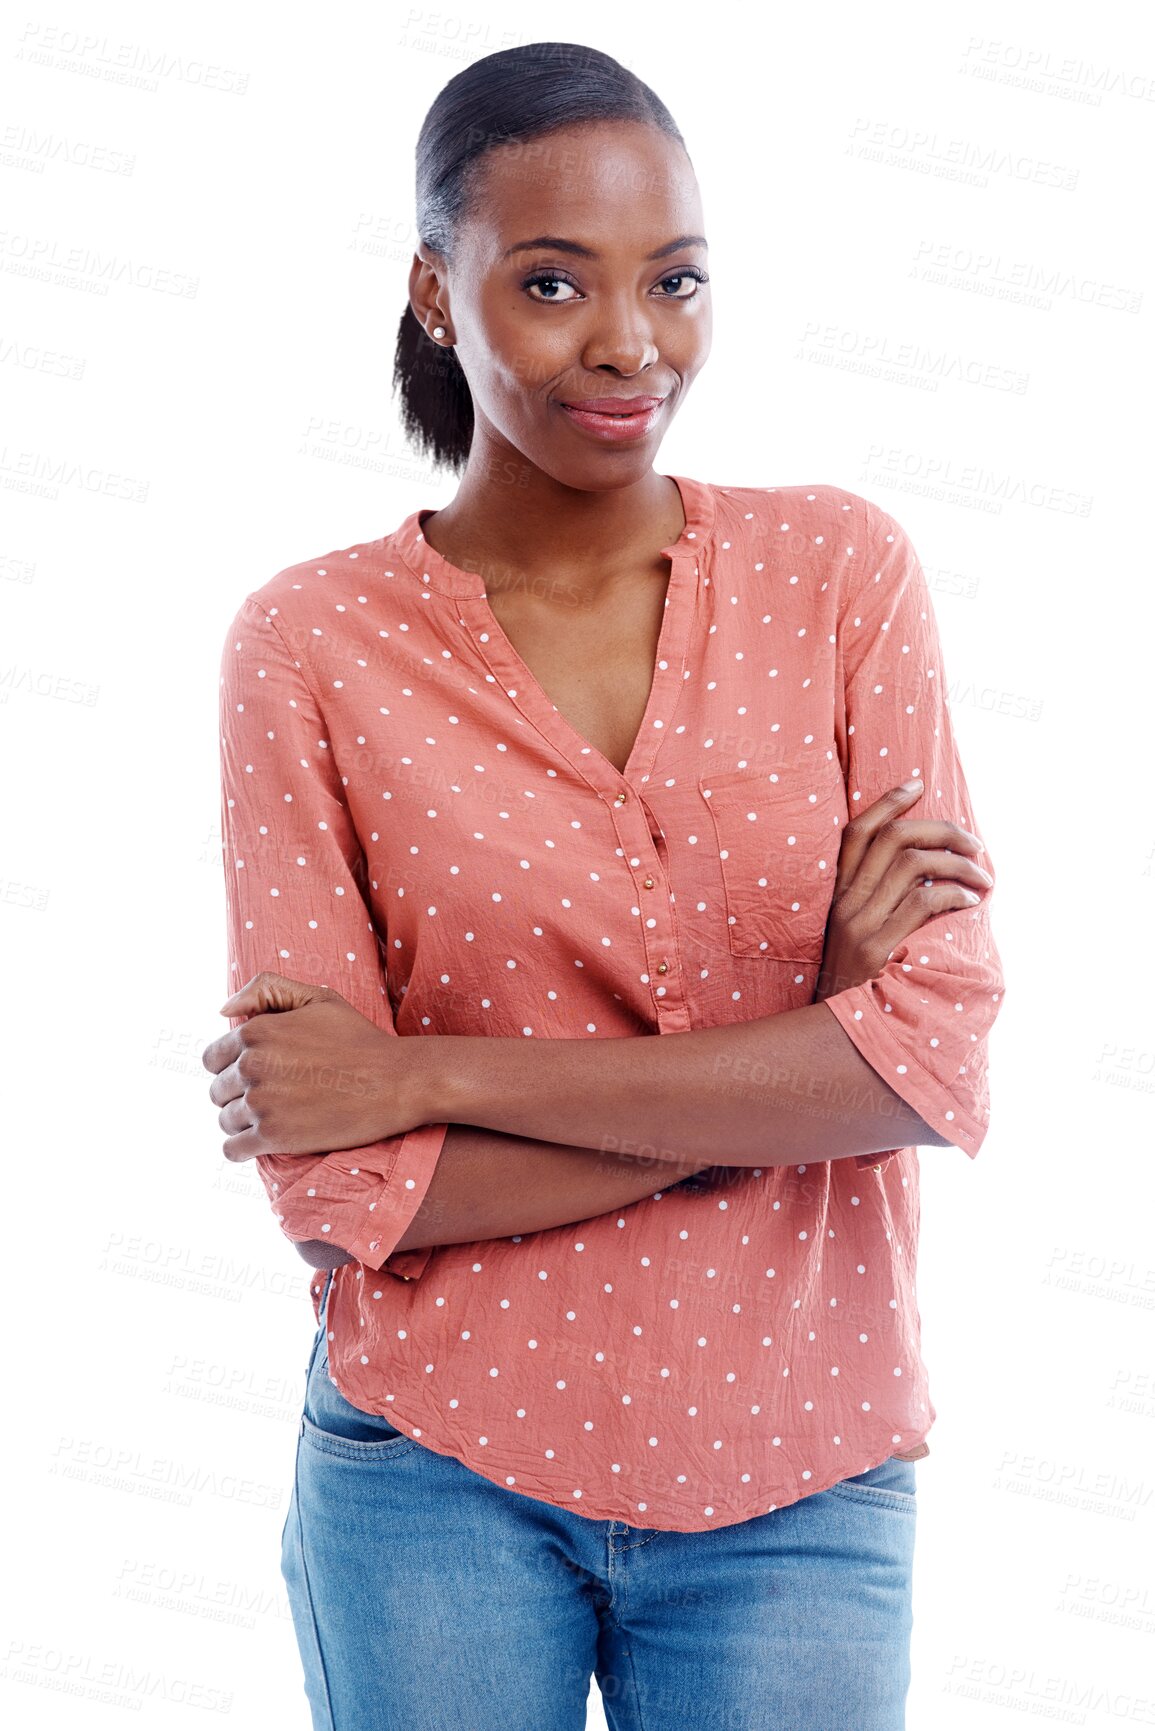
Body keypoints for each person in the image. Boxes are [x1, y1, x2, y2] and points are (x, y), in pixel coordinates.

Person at [202, 39, 1005, 1731]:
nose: (631, 344)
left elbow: (925, 1064)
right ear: (439, 290)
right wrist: (801, 1066)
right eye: (553, 282)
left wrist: (423, 1076)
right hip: (433, 1466)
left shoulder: (838, 575)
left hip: (803, 1465)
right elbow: (346, 1193)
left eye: (676, 281)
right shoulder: (313, 644)